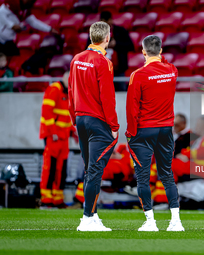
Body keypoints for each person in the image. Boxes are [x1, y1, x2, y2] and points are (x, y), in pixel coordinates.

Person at [126, 35, 184, 232]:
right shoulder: (171, 71)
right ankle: (176, 221)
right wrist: (159, 57)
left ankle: (150, 222)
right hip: (166, 130)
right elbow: (167, 64)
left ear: (143, 52)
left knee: (142, 178)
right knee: (167, 174)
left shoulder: (138, 75)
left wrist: (130, 133)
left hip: (143, 130)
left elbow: (132, 109)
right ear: (161, 51)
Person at [68, 21, 119, 231]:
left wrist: (74, 118)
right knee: (95, 170)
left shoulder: (76, 59)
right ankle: (87, 218)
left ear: (91, 37)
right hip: (97, 120)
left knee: (91, 169)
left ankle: (93, 214)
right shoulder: (104, 62)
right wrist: (114, 125)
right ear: (106, 38)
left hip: (81, 119)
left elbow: (71, 92)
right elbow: (107, 97)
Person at [39, 71, 77, 208]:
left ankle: (57, 198)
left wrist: (74, 132)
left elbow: (68, 116)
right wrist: (53, 132)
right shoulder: (54, 89)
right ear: (64, 78)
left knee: (61, 168)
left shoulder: (69, 93)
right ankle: (46, 198)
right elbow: (46, 112)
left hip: (64, 136)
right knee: (50, 166)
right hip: (53, 136)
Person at [86, 11, 134, 91]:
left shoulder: (121, 31)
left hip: (118, 70)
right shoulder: (95, 33)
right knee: (103, 93)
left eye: (106, 21)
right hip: (101, 70)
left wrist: (116, 44)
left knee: (121, 94)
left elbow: (130, 46)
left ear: (111, 20)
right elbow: (88, 48)